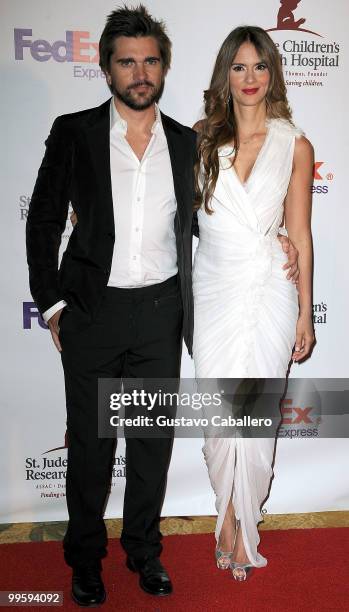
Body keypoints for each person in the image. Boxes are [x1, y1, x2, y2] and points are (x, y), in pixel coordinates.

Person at [26, 5, 198, 606]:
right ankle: (86, 561)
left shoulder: (186, 142)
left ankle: (145, 553)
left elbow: (212, 224)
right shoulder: (73, 131)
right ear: (106, 69)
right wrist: (51, 305)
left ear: (163, 66)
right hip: (92, 313)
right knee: (93, 450)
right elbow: (43, 220)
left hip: (159, 314)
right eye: (128, 61)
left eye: (150, 60)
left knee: (151, 446)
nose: (140, 72)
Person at [192, 25, 314, 581]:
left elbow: (302, 235)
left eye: (259, 66)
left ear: (273, 74)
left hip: (269, 288)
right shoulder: (198, 139)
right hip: (213, 287)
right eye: (238, 67)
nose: (249, 78)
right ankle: (225, 515)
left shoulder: (295, 144)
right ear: (226, 74)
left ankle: (244, 525)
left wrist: (307, 310)